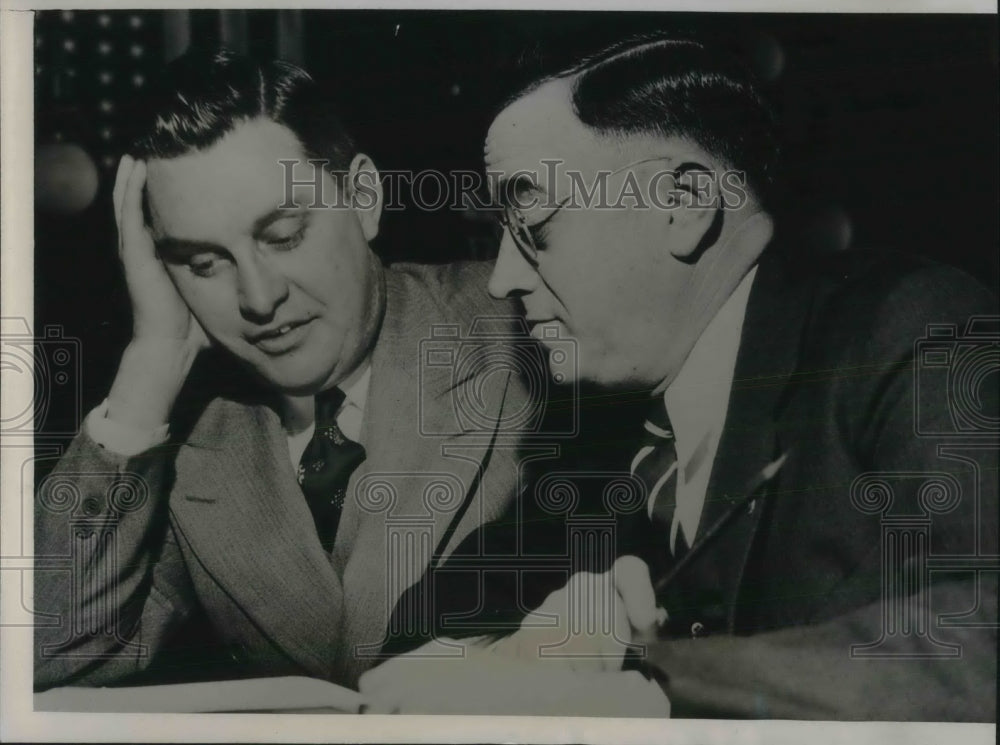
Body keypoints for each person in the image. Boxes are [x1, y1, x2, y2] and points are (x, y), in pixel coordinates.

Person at [362, 35, 998, 720]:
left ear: (686, 201)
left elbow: (981, 643)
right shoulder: (604, 430)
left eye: (535, 225)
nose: (501, 278)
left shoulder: (918, 331)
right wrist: (520, 646)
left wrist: (638, 678)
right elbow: (413, 645)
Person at [32, 48, 533, 692]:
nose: (259, 298)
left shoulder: (527, 334)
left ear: (364, 198)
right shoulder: (192, 436)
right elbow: (38, 654)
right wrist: (151, 361)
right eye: (204, 263)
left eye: (284, 235)